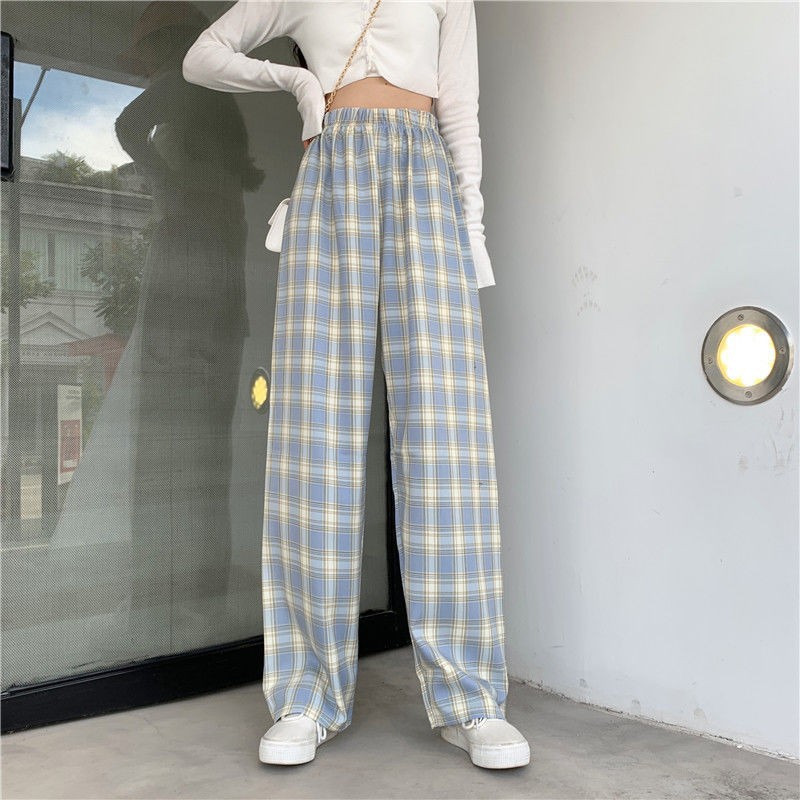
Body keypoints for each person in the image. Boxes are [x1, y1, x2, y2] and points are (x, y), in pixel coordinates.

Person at [182, 0, 530, 770]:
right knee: (315, 437)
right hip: (329, 175)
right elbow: (202, 55)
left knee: (446, 438)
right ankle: (307, 695)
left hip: (427, 181)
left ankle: (471, 697)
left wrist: (470, 230)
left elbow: (459, 109)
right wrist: (297, 84)